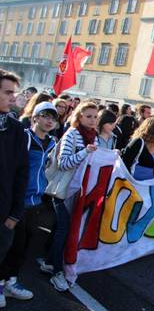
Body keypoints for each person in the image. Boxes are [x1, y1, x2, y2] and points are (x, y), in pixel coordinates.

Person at [1, 102, 57, 305]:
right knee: (9, 246)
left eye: (53, 117)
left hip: (36, 201)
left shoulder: (52, 142)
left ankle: (11, 282)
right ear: (35, 117)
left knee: (23, 247)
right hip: (17, 201)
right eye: (45, 116)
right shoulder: (24, 137)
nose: (49, 120)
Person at [46, 101, 99, 292]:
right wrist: (85, 151)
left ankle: (50, 262)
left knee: (65, 229)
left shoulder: (94, 137)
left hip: (79, 192)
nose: (93, 120)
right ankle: (56, 272)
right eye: (89, 116)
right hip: (63, 190)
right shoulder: (72, 134)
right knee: (64, 229)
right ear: (79, 116)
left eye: (95, 116)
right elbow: (64, 163)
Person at [0, 70, 29, 308]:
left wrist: (15, 213)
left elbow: (22, 174)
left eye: (14, 93)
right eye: (8, 92)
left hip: (4, 213)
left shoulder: (16, 129)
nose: (13, 98)